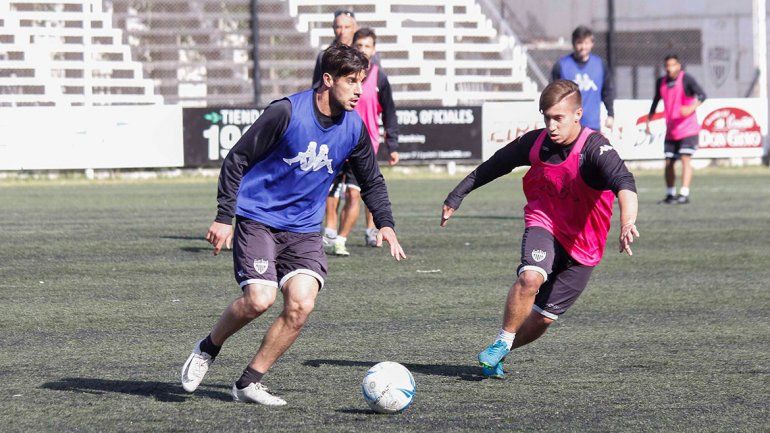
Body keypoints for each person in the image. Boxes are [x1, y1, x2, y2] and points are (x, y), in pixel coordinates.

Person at [181, 44, 407, 406]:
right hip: (259, 218)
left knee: (301, 305)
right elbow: (237, 159)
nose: (359, 90)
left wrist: (386, 224)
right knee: (259, 300)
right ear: (328, 80)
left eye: (362, 82)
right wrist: (225, 216)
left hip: (302, 229)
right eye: (351, 81)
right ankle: (209, 347)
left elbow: (372, 180)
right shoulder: (286, 111)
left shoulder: (354, 128)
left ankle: (248, 383)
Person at [441, 80, 639, 379]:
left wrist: (627, 222)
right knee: (530, 277)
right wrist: (457, 194)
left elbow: (625, 183)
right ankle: (503, 339)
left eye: (558, 118)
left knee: (543, 319)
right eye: (546, 117)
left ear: (578, 114)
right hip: (543, 223)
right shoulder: (536, 143)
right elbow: (495, 165)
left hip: (584, 247)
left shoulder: (596, 149)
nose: (551, 125)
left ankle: (500, 352)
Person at [325, 28, 400, 256]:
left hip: (364, 145)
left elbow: (389, 112)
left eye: (367, 46)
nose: (363, 50)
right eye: (359, 46)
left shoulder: (379, 77)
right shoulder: (340, 76)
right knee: (330, 190)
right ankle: (328, 231)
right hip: (337, 141)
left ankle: (343, 237)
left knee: (355, 192)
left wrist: (392, 144)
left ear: (374, 50)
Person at [646, 54, 706, 204]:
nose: (670, 68)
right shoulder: (661, 82)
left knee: (686, 159)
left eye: (673, 65)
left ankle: (684, 194)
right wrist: (649, 119)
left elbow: (703, 95)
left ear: (679, 65)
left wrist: (691, 108)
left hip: (688, 129)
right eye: (667, 65)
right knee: (668, 162)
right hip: (671, 130)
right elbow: (655, 100)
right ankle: (670, 194)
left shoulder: (686, 79)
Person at [552, 26, 614, 132]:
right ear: (573, 43)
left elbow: (607, 91)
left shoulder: (600, 64)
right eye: (579, 43)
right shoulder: (562, 65)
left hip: (592, 126)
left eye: (586, 43)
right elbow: (553, 95)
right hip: (569, 126)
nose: (583, 47)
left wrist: (610, 114)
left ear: (591, 44)